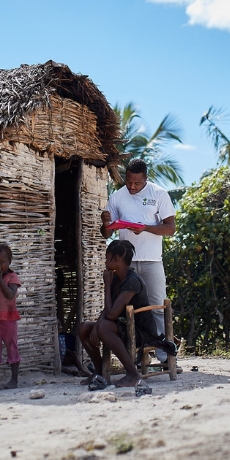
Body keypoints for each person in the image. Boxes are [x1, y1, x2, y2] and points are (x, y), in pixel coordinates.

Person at [101, 159, 176, 360]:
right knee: (128, 311)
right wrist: (105, 222)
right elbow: (107, 234)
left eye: (137, 183)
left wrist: (146, 228)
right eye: (128, 182)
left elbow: (170, 228)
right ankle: (137, 355)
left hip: (152, 261)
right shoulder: (117, 196)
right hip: (126, 264)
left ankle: (165, 357)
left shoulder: (159, 194)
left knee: (158, 307)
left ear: (146, 179)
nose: (132, 187)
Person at [78, 240, 159, 388]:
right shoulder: (116, 278)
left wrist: (107, 286)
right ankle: (99, 371)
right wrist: (95, 326)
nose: (105, 261)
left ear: (116, 259)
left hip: (141, 331)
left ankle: (133, 374)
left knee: (103, 327)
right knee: (84, 327)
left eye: (107, 258)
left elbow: (112, 315)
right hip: (126, 326)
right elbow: (108, 310)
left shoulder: (132, 281)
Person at [0, 244, 21, 391]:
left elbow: (10, 294)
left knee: (12, 348)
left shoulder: (12, 277)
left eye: (2, 262)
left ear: (9, 262)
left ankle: (14, 380)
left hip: (8, 320)